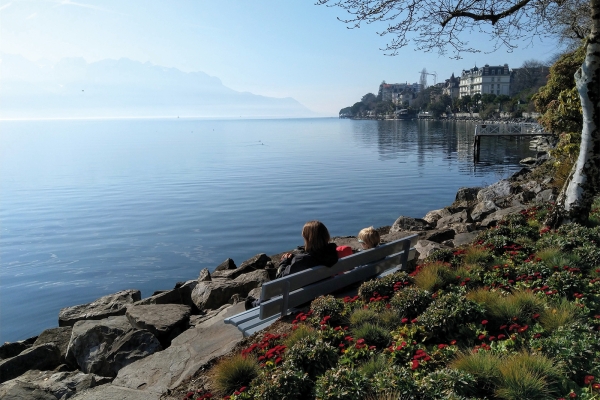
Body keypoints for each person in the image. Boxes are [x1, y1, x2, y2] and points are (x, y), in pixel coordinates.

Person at [245, 220, 338, 310]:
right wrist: (294, 258)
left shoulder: (301, 260)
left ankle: (253, 304)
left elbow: (279, 279)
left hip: (300, 301)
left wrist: (284, 261)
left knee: (271, 294)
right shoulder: (333, 253)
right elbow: (313, 256)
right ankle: (256, 302)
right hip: (321, 292)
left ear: (308, 239)